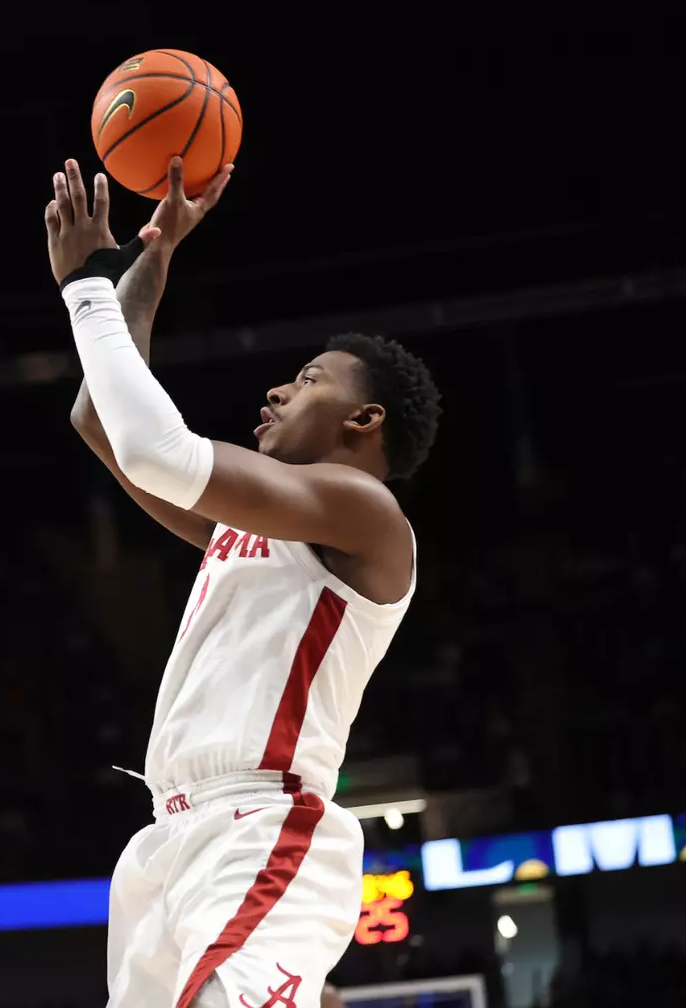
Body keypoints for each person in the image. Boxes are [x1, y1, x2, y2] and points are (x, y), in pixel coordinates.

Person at [44, 156, 441, 1008]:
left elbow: (158, 450)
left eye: (307, 379)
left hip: (263, 825)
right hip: (168, 841)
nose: (276, 386)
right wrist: (150, 256)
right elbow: (100, 419)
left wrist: (86, 290)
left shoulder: (365, 513)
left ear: (363, 421)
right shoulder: (260, 524)